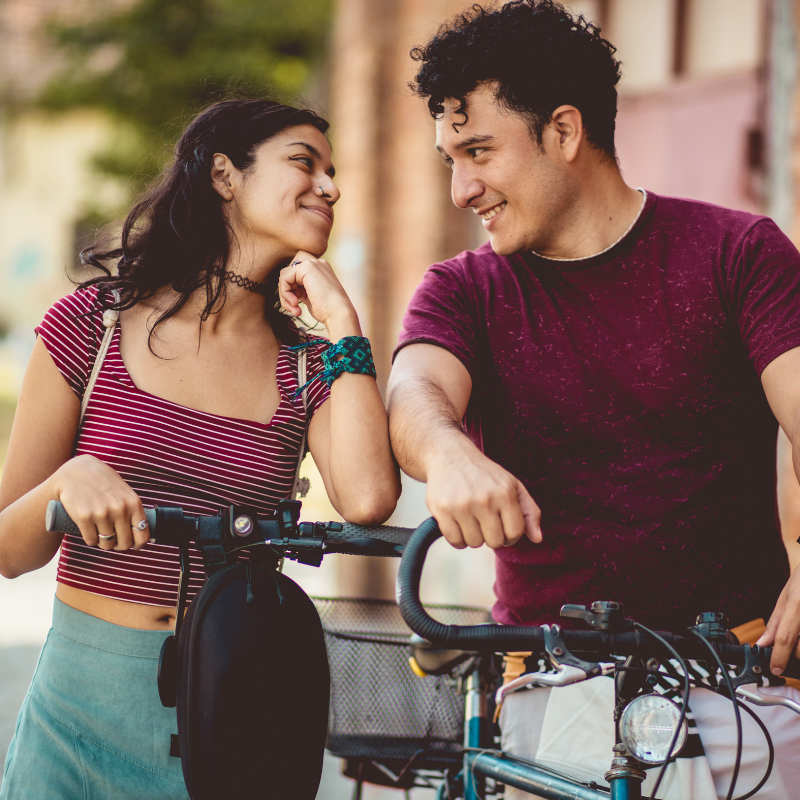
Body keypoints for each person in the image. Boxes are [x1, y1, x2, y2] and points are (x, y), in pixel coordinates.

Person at [386, 1, 800, 797]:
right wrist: (447, 451)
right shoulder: (463, 289)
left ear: (565, 132)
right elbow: (416, 388)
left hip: (739, 696)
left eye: (478, 151)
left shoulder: (737, 254)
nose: (459, 188)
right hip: (554, 701)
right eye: (449, 156)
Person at [0, 98, 400, 799]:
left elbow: (368, 496)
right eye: (305, 164)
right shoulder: (91, 326)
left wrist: (343, 326)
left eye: (334, 174)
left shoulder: (310, 364)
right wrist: (68, 481)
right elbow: (8, 550)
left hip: (227, 713)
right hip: (74, 716)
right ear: (224, 174)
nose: (331, 188)